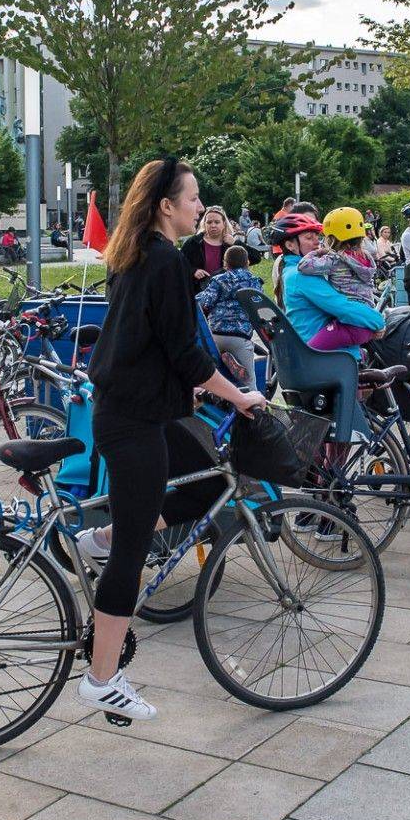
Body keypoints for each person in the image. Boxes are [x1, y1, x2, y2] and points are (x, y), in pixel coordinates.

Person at [75, 157, 267, 722]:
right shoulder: (161, 261)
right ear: (166, 206)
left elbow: (155, 345)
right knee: (133, 553)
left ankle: (100, 539)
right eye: (192, 199)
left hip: (144, 410)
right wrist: (238, 395)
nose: (201, 207)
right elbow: (185, 352)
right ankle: (100, 678)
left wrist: (203, 393)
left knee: (202, 481)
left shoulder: (144, 255)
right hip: (133, 422)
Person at [294, 208, 383, 351]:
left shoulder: (335, 259)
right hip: (366, 321)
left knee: (309, 353)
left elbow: (303, 266)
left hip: (350, 323)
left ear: (333, 238)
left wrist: (318, 252)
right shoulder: (366, 257)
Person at [198, 244, 263, 384]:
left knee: (214, 374)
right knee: (250, 382)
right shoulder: (255, 281)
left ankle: (223, 368)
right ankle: (250, 398)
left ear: (225, 264)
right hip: (240, 337)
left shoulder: (219, 280)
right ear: (248, 263)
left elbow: (205, 302)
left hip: (216, 335)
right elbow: (258, 305)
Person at [181, 206, 234, 292]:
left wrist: (235, 243)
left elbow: (255, 257)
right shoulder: (194, 242)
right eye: (209, 222)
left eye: (217, 222)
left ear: (224, 223)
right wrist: (193, 271)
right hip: (199, 292)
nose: (213, 225)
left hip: (225, 293)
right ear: (204, 224)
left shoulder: (230, 243)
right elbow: (179, 263)